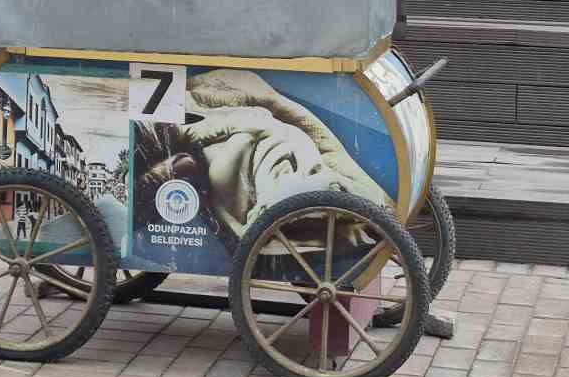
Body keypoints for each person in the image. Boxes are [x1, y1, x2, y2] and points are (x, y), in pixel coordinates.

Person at [132, 70, 389, 256]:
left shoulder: (215, 99)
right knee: (293, 175)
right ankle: (361, 208)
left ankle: (361, 207)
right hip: (252, 161)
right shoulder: (191, 130)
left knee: (298, 167)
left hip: (267, 150)